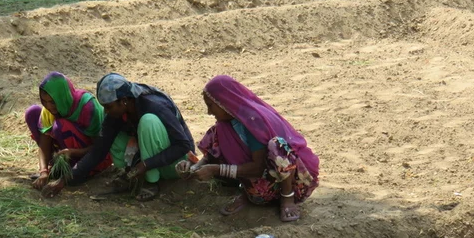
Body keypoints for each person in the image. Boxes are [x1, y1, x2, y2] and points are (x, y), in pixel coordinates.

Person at [180, 75, 319, 222]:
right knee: (217, 132)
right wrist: (194, 167)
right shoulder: (225, 126)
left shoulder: (253, 122)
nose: (209, 112)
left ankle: (287, 198)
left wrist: (216, 170)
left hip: (292, 184)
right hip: (259, 192)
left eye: (211, 105)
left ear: (223, 102)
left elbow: (258, 168)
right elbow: (210, 156)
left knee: (277, 146)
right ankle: (247, 194)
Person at [43, 73, 195, 201]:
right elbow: (98, 151)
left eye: (109, 107)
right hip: (153, 160)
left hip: (177, 165)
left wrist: (145, 165)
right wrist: (64, 180)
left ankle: (151, 182)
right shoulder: (119, 111)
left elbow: (183, 145)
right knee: (110, 131)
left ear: (124, 101)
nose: (106, 111)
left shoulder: (154, 105)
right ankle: (131, 176)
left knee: (148, 122)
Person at [25, 72, 112, 190]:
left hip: (95, 157)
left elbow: (100, 148)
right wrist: (43, 172)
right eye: (44, 101)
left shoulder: (87, 107)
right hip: (66, 153)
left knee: (60, 126)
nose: (48, 106)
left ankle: (77, 171)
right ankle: (58, 168)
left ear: (62, 97)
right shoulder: (48, 110)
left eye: (52, 102)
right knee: (32, 112)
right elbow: (44, 144)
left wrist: (73, 152)